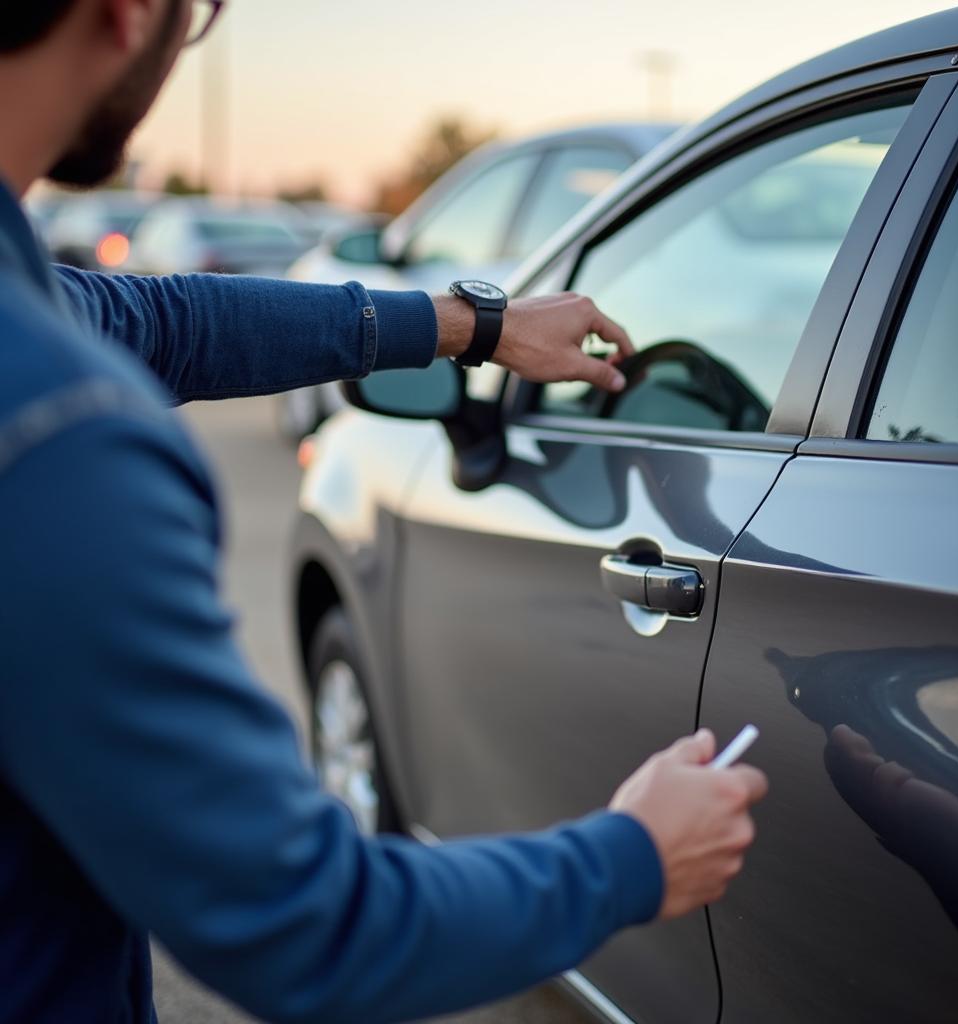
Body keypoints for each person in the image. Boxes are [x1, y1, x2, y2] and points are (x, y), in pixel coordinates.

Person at [0, 2, 768, 1022]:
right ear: (131, 12)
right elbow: (303, 923)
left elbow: (165, 319)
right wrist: (632, 856)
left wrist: (474, 327)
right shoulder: (63, 437)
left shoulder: (37, 338)